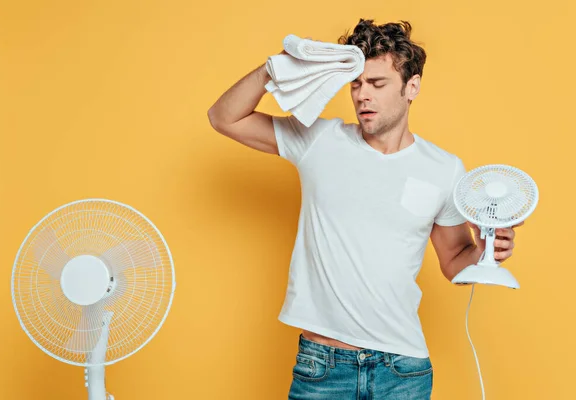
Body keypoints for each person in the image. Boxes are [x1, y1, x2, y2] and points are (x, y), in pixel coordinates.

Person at [207, 18, 521, 400]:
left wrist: (490, 249)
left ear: (412, 87)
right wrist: (275, 68)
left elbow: (455, 257)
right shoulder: (319, 140)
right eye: (356, 84)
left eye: (377, 83)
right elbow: (224, 117)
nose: (361, 96)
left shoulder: (443, 168)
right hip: (323, 367)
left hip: (403, 370)